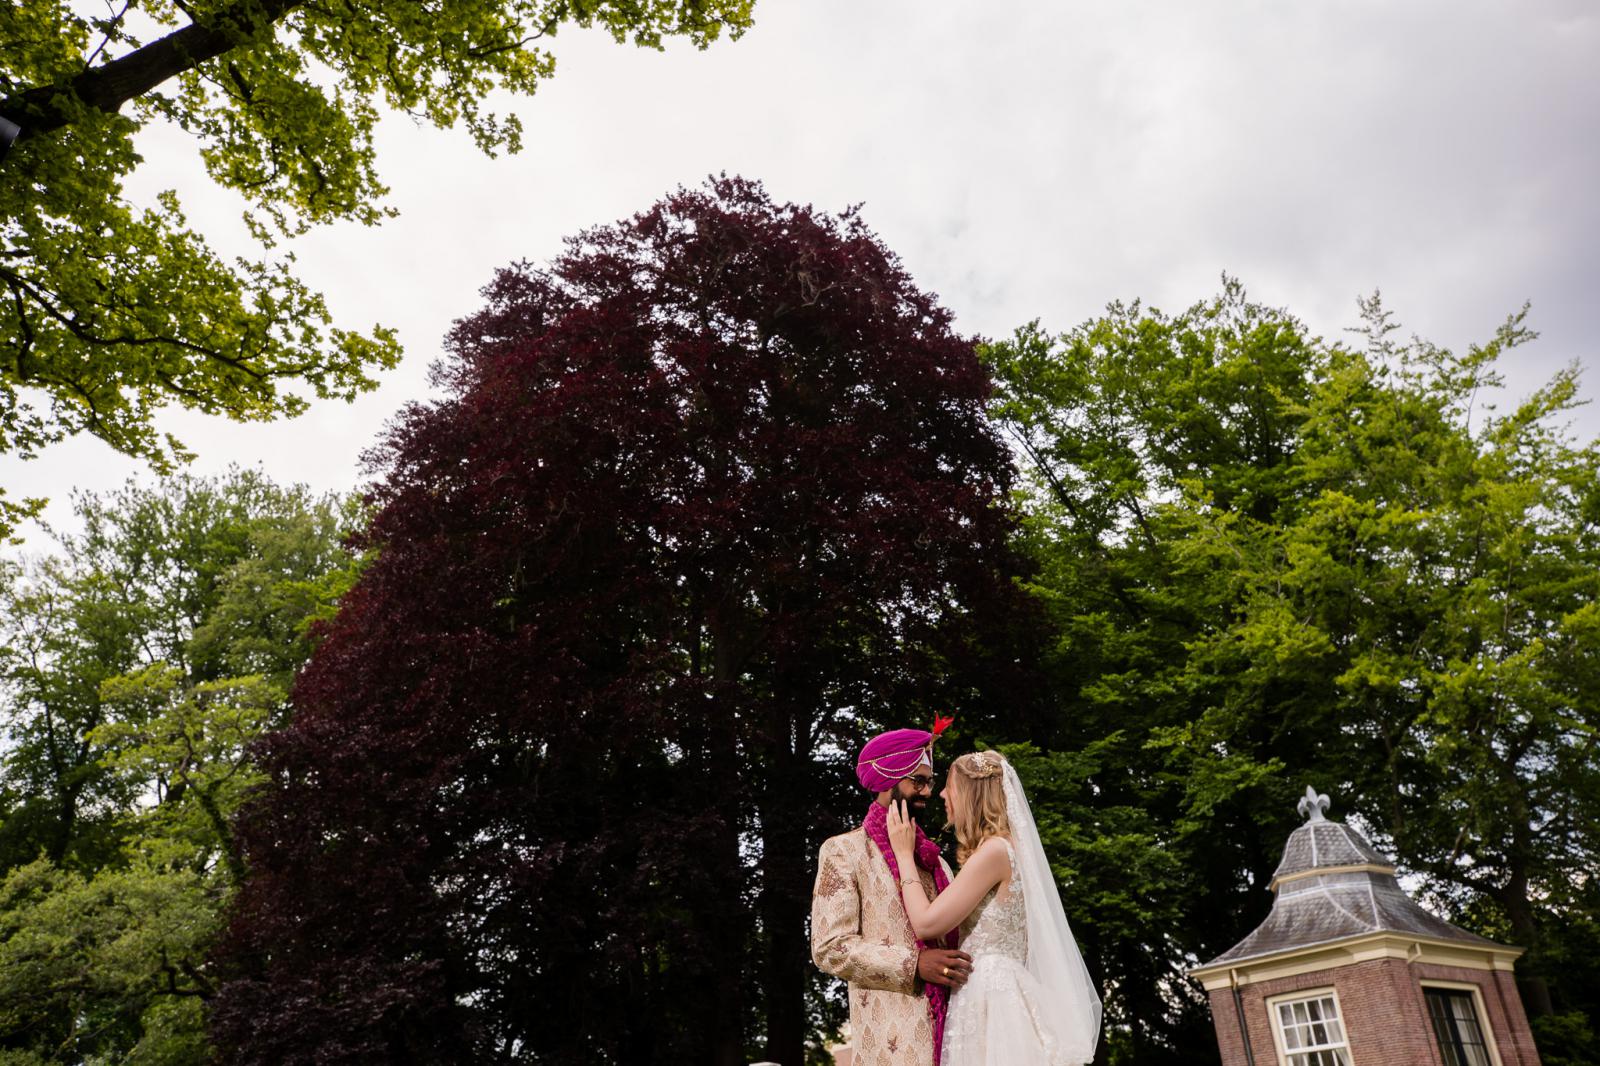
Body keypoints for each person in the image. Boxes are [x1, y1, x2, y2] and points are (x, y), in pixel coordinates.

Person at [887, 749, 1101, 1066]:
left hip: (991, 996)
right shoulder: (1008, 849)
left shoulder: (995, 851)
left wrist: (903, 856)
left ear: (972, 794)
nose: (943, 794)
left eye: (951, 786)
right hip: (1000, 987)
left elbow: (927, 923)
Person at [811, 723, 975, 1066]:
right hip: (888, 1047)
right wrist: (913, 965)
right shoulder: (844, 851)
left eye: (929, 782)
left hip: (957, 1041)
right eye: (918, 781)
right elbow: (829, 947)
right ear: (888, 779)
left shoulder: (937, 862)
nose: (928, 792)